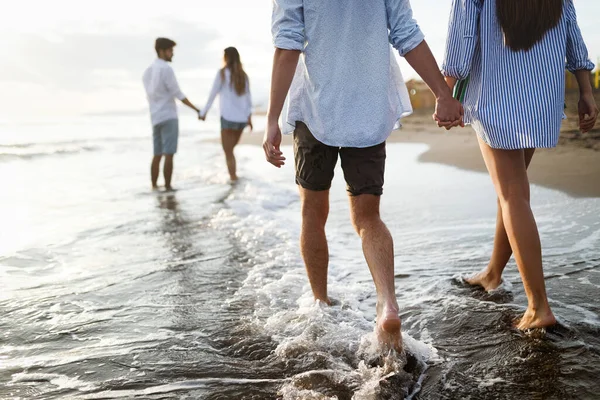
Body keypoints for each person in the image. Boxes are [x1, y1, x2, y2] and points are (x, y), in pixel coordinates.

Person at [264, 0, 464, 351]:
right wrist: (442, 93)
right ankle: (387, 302)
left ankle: (320, 303)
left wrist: (272, 120)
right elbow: (407, 35)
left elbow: (287, 46)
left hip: (315, 113)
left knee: (313, 213)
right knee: (369, 218)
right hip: (368, 114)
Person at [442, 0, 598, 329]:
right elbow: (573, 36)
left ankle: (538, 308)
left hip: (496, 96)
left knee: (512, 193)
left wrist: (447, 93)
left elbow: (462, 42)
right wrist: (586, 90)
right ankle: (493, 273)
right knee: (514, 192)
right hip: (541, 97)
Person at [143, 38, 201, 191]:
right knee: (169, 154)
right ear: (162, 50)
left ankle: (154, 188)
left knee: (157, 154)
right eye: (170, 50)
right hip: (168, 116)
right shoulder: (166, 69)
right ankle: (168, 189)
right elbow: (178, 94)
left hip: (155, 117)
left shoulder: (147, 72)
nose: (172, 54)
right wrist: (197, 110)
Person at [200, 47, 253, 182]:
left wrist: (204, 112)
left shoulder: (222, 74)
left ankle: (233, 180)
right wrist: (249, 118)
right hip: (241, 120)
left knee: (228, 152)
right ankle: (234, 178)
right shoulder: (243, 75)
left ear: (226, 57)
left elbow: (212, 94)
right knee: (230, 150)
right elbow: (248, 99)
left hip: (228, 118)